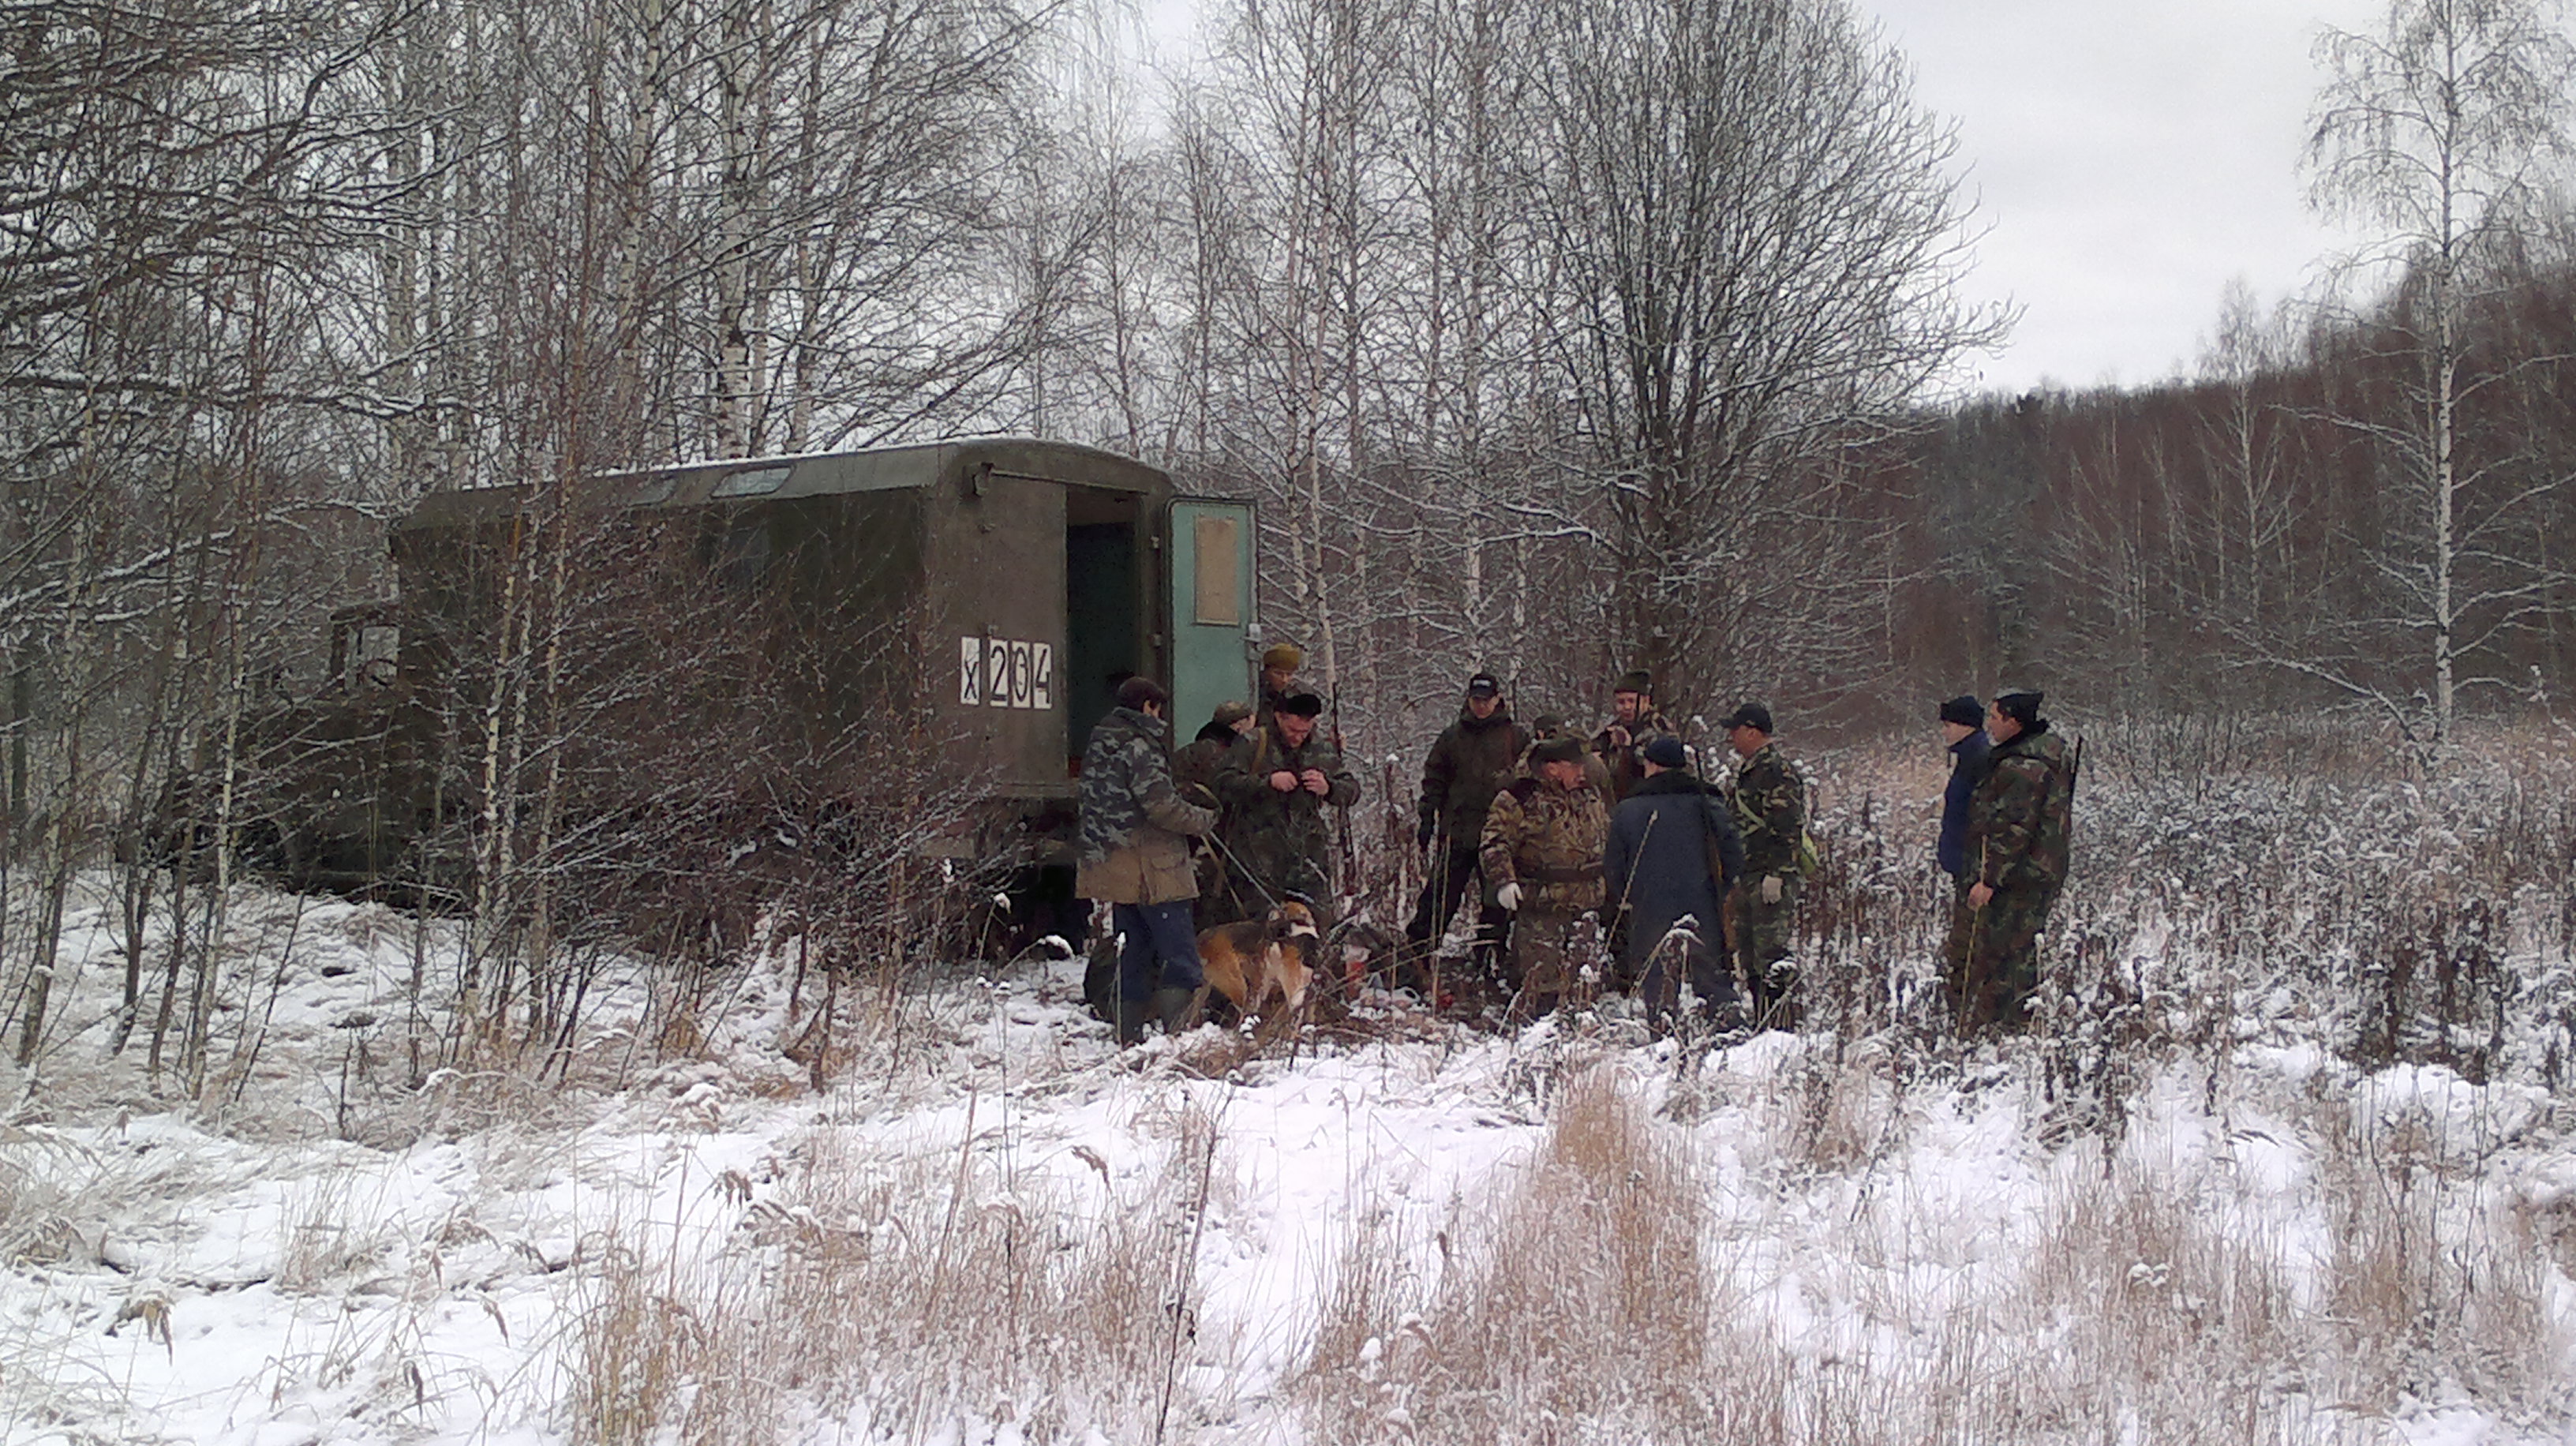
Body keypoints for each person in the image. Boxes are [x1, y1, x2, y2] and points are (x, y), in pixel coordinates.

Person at [1076, 676, 1219, 1045]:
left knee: (1133, 952)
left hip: (1115, 867)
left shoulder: (1101, 741)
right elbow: (1161, 806)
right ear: (1147, 707)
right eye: (1159, 709)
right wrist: (1204, 819)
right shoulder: (1140, 745)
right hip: (1154, 868)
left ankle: (1129, 1036)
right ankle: (1180, 1039)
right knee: (1179, 954)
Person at [1606, 736, 1746, 1029]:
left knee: (1656, 971)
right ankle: (1727, 1026)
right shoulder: (1707, 801)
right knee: (1710, 967)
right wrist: (1722, 889)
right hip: (1702, 899)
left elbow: (1615, 865)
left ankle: (1663, 1030)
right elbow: (1732, 850)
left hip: (1649, 904)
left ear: (1653, 766)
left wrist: (1626, 898)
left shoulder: (1628, 809)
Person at [1956, 690, 2076, 1032]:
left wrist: (1988, 879)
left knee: (2008, 954)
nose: (1989, 725)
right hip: (2036, 871)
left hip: (2021, 876)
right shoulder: (2044, 754)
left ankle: (2011, 1026)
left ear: (2014, 721)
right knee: (2018, 949)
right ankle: (2013, 1023)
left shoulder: (2023, 768)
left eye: (1995, 718)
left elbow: (2012, 830)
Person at [1404, 672, 1530, 977]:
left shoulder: (1516, 737)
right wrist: (1427, 817)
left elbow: (1529, 783)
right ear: (1469, 700)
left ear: (1498, 699)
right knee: (1438, 899)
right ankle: (1416, 960)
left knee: (1497, 903)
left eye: (1486, 700)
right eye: (1476, 700)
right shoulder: (1452, 737)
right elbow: (1434, 780)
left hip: (1498, 838)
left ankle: (1489, 961)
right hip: (1457, 833)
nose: (1481, 706)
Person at [1480, 736, 1609, 1022]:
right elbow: (1495, 843)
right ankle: (1534, 1038)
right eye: (1575, 766)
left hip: (1587, 904)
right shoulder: (1520, 798)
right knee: (1541, 987)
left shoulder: (1589, 794)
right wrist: (1504, 881)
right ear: (1553, 769)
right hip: (1542, 906)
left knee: (1584, 984)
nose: (1582, 772)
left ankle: (1578, 1038)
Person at [1215, 690, 1358, 910]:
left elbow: (1352, 790)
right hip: (1257, 857)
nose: (1298, 737)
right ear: (1279, 717)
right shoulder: (1253, 743)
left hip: (1309, 858)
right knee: (1260, 922)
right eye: (1292, 730)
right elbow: (1222, 784)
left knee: (1315, 920)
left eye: (1304, 731)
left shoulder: (1321, 748)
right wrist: (1267, 782)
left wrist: (1328, 788)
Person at [1720, 702, 1809, 1027]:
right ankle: (1762, 1022)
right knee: (1750, 955)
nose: (1732, 738)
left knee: (1772, 955)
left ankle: (1782, 1026)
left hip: (1769, 878)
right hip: (1749, 875)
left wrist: (1778, 873)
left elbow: (1788, 825)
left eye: (1735, 731)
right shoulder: (1751, 770)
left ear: (1752, 732)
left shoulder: (1776, 771)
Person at [1175, 700, 1257, 923]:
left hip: (1178, 844)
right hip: (1215, 845)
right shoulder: (1229, 757)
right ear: (1239, 726)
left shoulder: (1187, 752)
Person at [1934, 695, 1992, 1001]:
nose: (1944, 731)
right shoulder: (1969, 758)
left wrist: (1982, 872)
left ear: (1965, 725)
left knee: (1967, 945)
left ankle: (1965, 1007)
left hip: (1974, 870)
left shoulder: (1979, 761)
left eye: (1948, 725)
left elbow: (1985, 821)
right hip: (1964, 867)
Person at [1591, 670, 1673, 803]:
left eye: (1631, 701)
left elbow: (1665, 771)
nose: (1627, 707)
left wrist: (1630, 749)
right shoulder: (1608, 731)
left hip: (1650, 801)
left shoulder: (1661, 730)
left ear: (1646, 701)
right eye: (1621, 702)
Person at [1254, 642, 1306, 734]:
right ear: (1266, 672)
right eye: (1278, 673)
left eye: (1289, 674)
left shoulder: (1290, 696)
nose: (1284, 680)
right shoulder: (1256, 693)